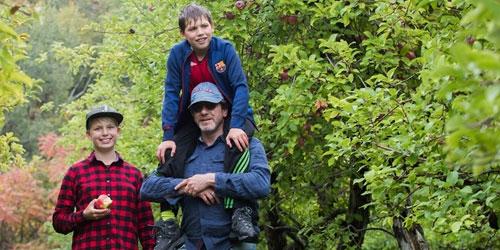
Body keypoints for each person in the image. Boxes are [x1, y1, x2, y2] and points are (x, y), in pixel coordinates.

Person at [153, 3, 257, 249]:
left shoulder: (225, 50)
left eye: (204, 26)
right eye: (193, 28)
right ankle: (168, 219)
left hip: (232, 112)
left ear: (212, 26)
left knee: (238, 144)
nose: (200, 32)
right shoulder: (178, 55)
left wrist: (237, 125)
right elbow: (171, 93)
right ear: (183, 34)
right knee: (171, 153)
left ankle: (240, 210)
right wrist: (168, 134)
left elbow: (240, 87)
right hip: (195, 115)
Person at [141, 83, 270, 250]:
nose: (203, 112)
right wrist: (189, 186)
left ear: (224, 111)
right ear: (192, 115)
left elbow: (261, 183)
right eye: (197, 108)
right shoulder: (180, 151)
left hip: (233, 244)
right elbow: (147, 188)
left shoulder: (247, 144)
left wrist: (212, 180)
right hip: (192, 243)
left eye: (210, 105)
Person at [52, 105, 155, 250]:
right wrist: (83, 215)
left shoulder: (134, 175)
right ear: (88, 134)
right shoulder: (75, 173)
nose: (105, 133)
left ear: (118, 131)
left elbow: (146, 226)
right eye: (98, 129)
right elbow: (58, 222)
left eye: (110, 127)